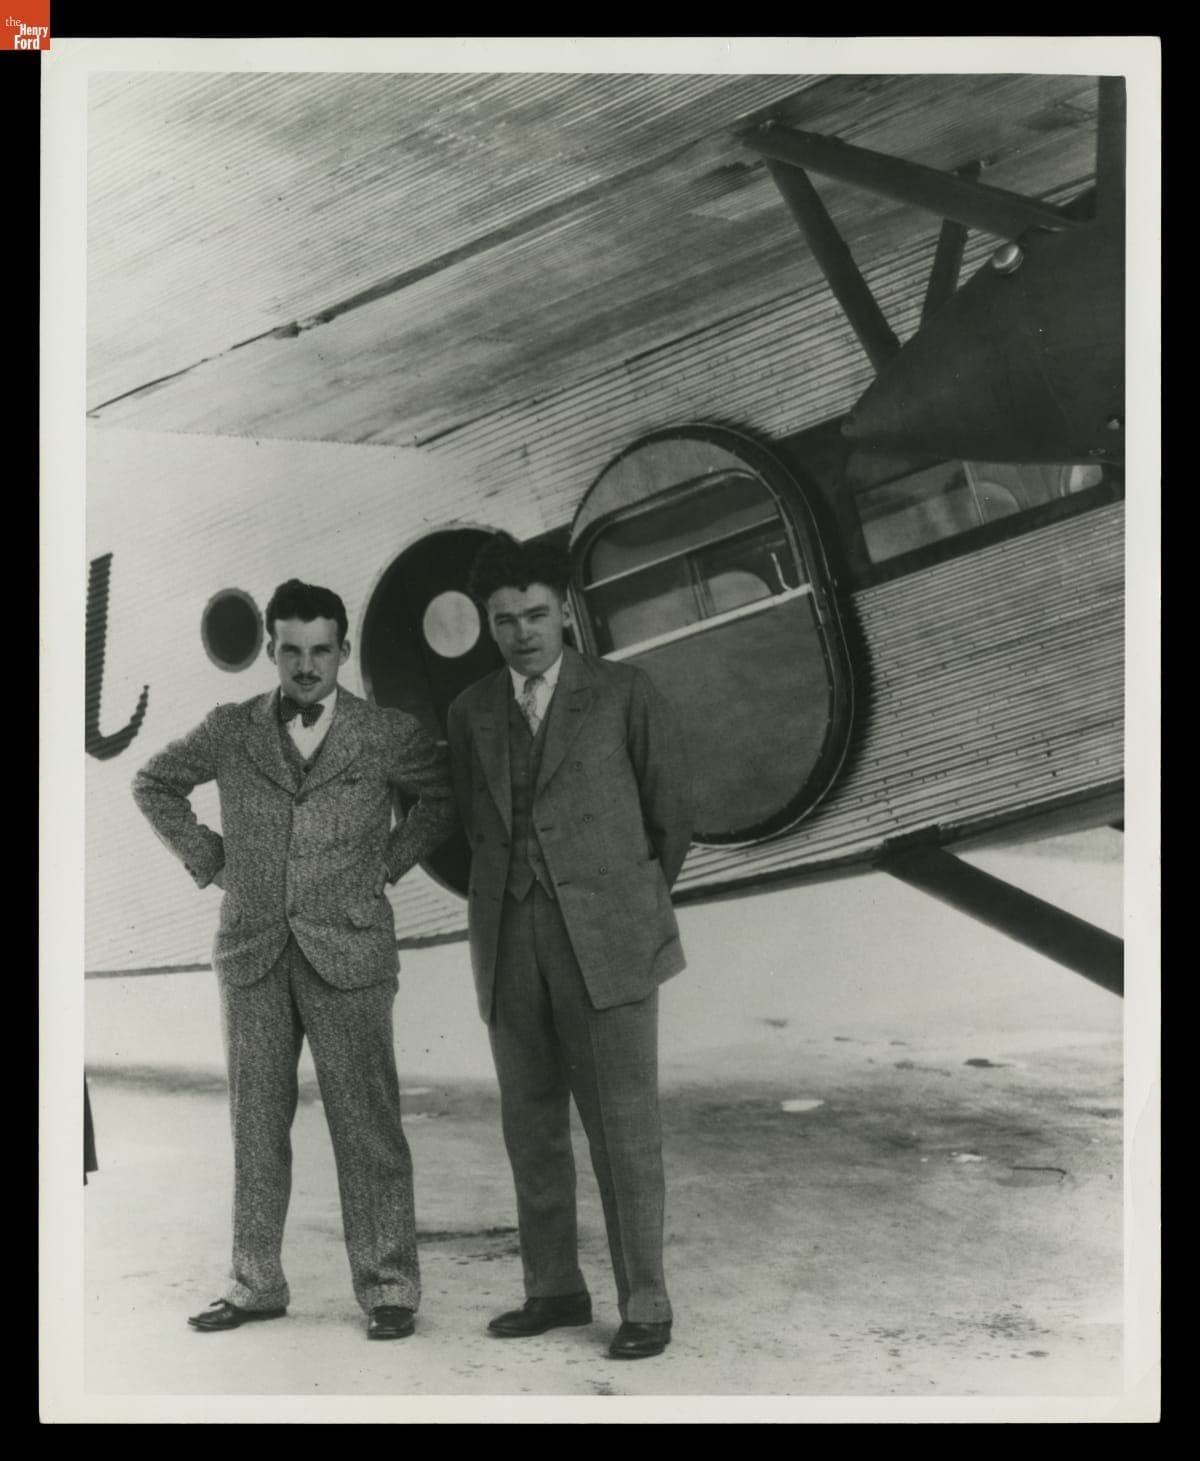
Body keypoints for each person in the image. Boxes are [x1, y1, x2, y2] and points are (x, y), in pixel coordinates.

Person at [132, 578, 456, 1340]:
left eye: (321, 650)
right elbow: (154, 782)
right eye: (291, 651)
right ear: (272, 652)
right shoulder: (231, 728)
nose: (306, 665)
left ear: (342, 650)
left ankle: (389, 1288)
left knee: (368, 1124)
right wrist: (213, 862)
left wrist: (386, 861)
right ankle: (254, 1282)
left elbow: (442, 797)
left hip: (349, 949)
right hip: (254, 953)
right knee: (255, 1124)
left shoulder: (383, 732)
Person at [446, 534, 694, 1361]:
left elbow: (671, 819)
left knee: (623, 1125)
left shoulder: (625, 692)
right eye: (505, 620)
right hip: (508, 940)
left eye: (537, 614)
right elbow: (472, 828)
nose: (522, 633)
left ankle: (646, 1301)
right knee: (532, 1125)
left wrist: (619, 901)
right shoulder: (471, 709)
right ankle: (552, 1287)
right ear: (488, 623)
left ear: (565, 610)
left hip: (609, 936)